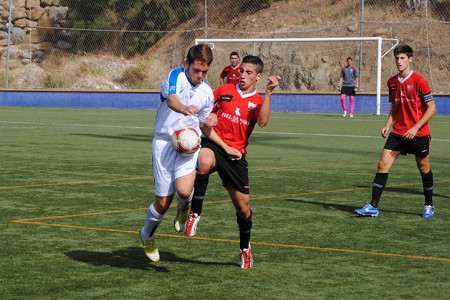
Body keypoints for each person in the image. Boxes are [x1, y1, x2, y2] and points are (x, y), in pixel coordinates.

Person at [178, 55, 281, 269]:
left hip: (236, 155)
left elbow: (262, 122)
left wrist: (269, 93)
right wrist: (207, 118)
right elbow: (203, 111)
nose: (242, 75)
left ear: (258, 76)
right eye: (242, 71)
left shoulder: (259, 102)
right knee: (204, 160)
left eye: (248, 72)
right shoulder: (223, 91)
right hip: (214, 144)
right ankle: (195, 213)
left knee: (243, 209)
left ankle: (245, 248)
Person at [139, 44, 217, 262]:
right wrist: (184, 108)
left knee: (184, 191)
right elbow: (172, 100)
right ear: (187, 64)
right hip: (164, 143)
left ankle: (183, 208)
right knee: (162, 203)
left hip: (189, 144)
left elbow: (203, 123)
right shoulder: (176, 76)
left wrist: (212, 121)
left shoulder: (207, 93)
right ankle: (147, 235)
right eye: (196, 70)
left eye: (204, 72)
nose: (199, 76)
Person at [354, 44, 437, 218]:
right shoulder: (392, 82)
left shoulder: (420, 81)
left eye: (403, 58)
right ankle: (373, 207)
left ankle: (429, 204)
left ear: (410, 59)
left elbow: (432, 108)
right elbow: (395, 107)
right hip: (398, 133)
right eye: (397, 58)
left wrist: (416, 127)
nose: (399, 62)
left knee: (423, 168)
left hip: (418, 134)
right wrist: (388, 124)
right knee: (382, 165)